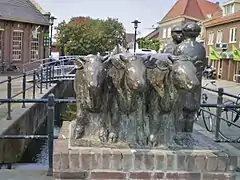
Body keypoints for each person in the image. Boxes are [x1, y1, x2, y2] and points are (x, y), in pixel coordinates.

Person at [173, 22, 207, 133]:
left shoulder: (179, 48)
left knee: (180, 111)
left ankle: (178, 134)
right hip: (196, 83)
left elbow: (175, 67)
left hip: (182, 84)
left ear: (184, 33)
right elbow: (203, 65)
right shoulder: (201, 49)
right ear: (197, 34)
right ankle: (188, 134)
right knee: (191, 112)